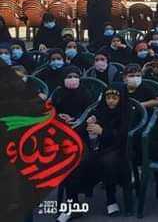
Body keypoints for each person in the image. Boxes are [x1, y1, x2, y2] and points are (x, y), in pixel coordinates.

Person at [56, 86, 131, 221]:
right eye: (108, 98)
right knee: (72, 162)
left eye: (115, 98)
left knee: (108, 162)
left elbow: (124, 136)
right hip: (94, 148)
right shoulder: (98, 111)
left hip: (116, 149)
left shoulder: (126, 112)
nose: (111, 101)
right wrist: (87, 124)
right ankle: (72, 205)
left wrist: (103, 132)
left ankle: (111, 198)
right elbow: (81, 130)